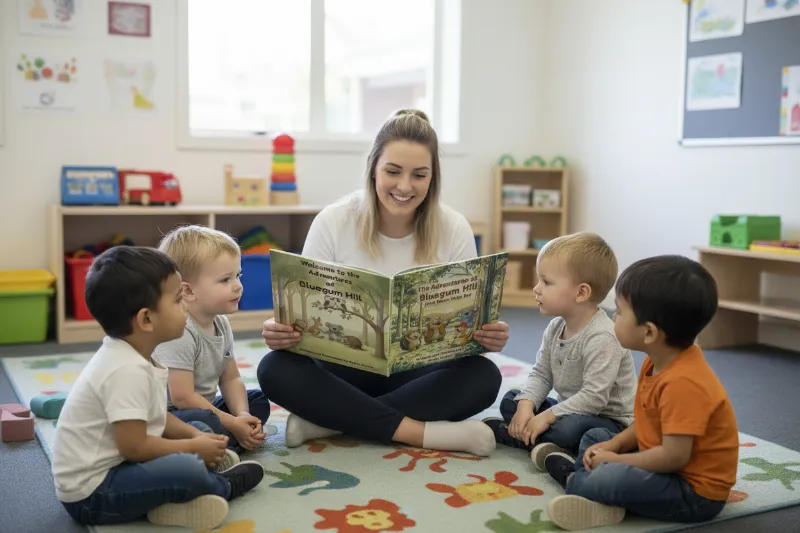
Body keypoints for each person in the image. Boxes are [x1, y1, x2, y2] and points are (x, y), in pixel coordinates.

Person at [258, 109, 508, 456]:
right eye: (393, 171)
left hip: (418, 371)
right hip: (343, 368)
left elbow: (464, 330)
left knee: (484, 377)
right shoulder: (333, 221)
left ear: (432, 178)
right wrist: (280, 330)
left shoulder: (453, 228)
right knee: (274, 368)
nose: (405, 186)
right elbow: (301, 309)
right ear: (373, 168)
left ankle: (329, 422)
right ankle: (422, 433)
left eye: (419, 175)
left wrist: (486, 334)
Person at [51, 246, 264, 530]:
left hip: (122, 463)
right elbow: (135, 446)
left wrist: (191, 436)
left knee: (199, 429)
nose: (186, 307)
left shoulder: (138, 353)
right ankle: (221, 486)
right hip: (94, 492)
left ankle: (176, 495)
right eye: (177, 301)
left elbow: (158, 417)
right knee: (187, 468)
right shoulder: (126, 370)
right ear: (146, 319)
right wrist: (191, 448)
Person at [544, 255, 739, 531]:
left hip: (692, 491)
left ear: (648, 332)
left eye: (620, 312)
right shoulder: (655, 360)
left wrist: (616, 460)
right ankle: (591, 486)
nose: (613, 316)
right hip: (661, 462)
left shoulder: (685, 383)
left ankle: (576, 482)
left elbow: (673, 458)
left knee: (609, 478)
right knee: (597, 437)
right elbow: (645, 425)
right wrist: (614, 446)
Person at [483, 232, 637, 470]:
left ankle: (527, 438)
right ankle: (538, 439)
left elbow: (594, 399)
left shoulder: (602, 337)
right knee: (512, 400)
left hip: (607, 421)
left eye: (546, 282)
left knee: (570, 429)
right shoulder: (556, 326)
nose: (536, 288)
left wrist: (545, 417)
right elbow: (542, 374)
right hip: (568, 409)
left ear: (581, 292)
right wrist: (526, 407)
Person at [154, 225, 270, 456]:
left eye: (238, 275)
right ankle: (215, 447)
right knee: (204, 422)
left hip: (204, 408)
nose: (238, 285)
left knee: (257, 401)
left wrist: (242, 416)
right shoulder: (179, 331)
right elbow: (183, 397)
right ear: (187, 291)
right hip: (170, 417)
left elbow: (231, 378)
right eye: (225, 280)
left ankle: (223, 444)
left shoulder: (221, 323)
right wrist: (231, 423)